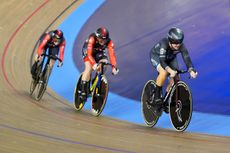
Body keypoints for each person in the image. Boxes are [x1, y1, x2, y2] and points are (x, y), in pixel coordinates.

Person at [150, 27, 198, 109]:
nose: (177, 44)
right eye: (175, 42)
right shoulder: (164, 43)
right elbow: (162, 61)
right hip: (157, 57)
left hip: (170, 58)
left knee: (176, 78)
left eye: (179, 42)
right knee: (164, 72)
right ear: (169, 40)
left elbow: (187, 59)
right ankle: (157, 97)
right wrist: (170, 70)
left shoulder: (181, 46)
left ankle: (166, 100)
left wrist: (191, 70)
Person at [79, 27, 119, 101]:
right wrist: (94, 64)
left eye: (105, 39)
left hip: (98, 52)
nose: (103, 41)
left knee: (105, 63)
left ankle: (96, 79)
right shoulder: (92, 38)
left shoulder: (109, 42)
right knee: (89, 68)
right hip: (88, 52)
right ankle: (83, 91)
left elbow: (112, 55)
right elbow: (89, 55)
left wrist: (114, 67)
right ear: (97, 37)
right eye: (101, 39)